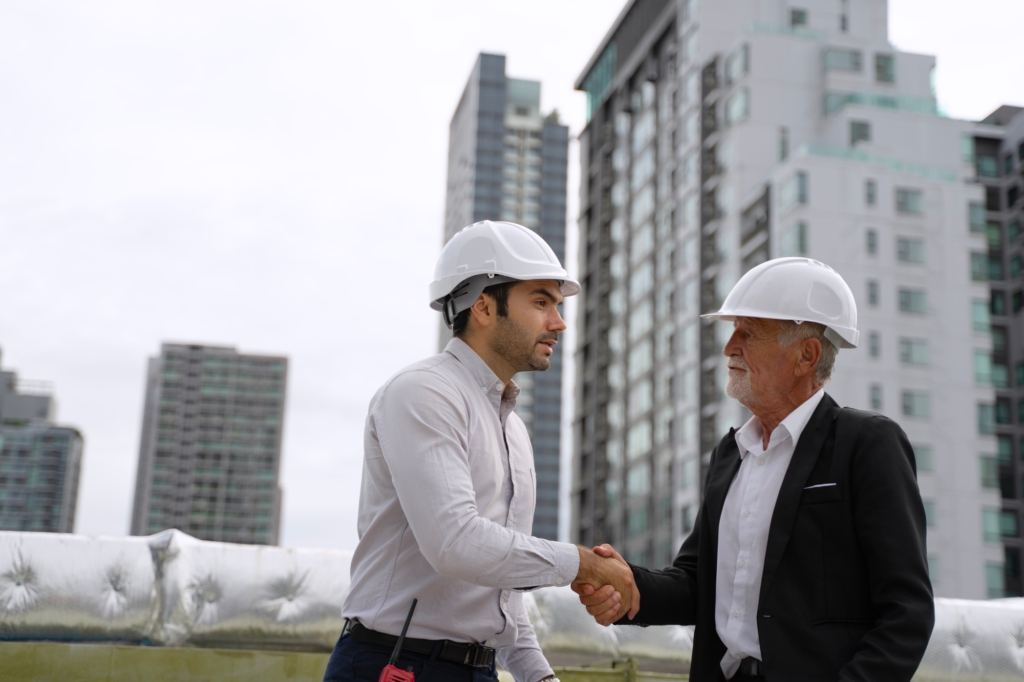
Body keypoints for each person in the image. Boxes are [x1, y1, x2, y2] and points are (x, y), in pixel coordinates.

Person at [573, 257, 934, 681]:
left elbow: (907, 614)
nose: (729, 347)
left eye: (748, 332)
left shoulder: (867, 443)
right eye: (733, 331)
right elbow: (696, 584)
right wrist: (627, 584)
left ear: (806, 354)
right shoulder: (730, 453)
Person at [323, 220, 639, 682]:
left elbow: (501, 591)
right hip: (393, 664)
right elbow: (456, 544)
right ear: (485, 306)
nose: (560, 322)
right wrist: (582, 562)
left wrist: (539, 677)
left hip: (478, 669)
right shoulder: (421, 392)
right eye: (541, 302)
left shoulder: (514, 432)